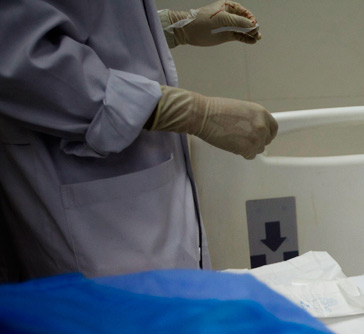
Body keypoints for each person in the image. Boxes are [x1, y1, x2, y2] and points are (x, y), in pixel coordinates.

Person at [0, 1, 278, 282]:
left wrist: (171, 27)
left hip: (133, 205)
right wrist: (187, 111)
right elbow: (16, 57)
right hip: (83, 210)